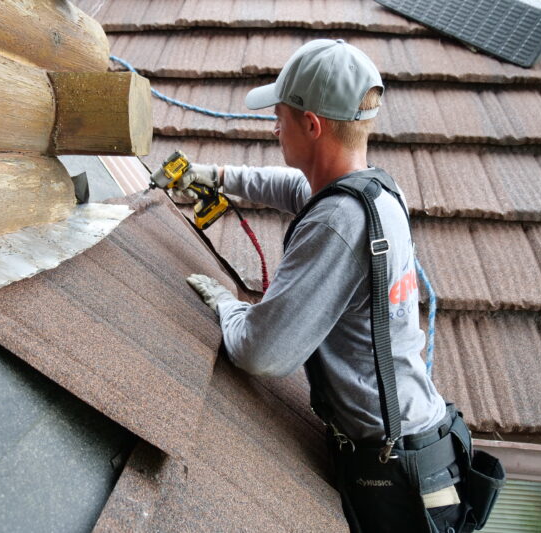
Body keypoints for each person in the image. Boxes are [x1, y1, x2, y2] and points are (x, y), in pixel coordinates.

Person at [182, 39, 476, 532]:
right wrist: (215, 175)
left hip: (392, 474)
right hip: (423, 442)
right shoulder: (375, 190)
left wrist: (228, 308)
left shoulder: (339, 223)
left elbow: (262, 353)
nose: (275, 127)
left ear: (312, 124)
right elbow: (292, 188)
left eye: (280, 115)